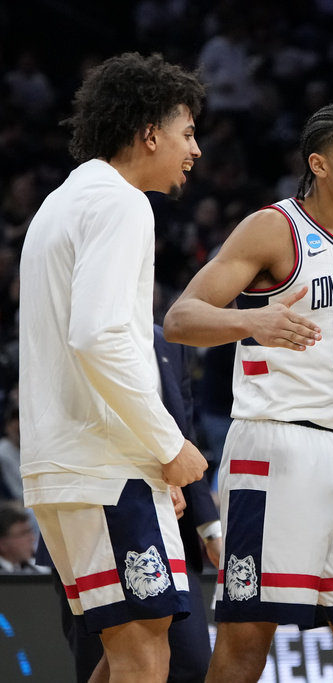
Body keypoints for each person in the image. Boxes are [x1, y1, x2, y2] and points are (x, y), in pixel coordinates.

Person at [163, 101, 333, 683]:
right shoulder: (276, 227)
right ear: (318, 163)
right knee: (245, 646)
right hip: (275, 450)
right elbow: (181, 317)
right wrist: (251, 322)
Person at [18, 52, 208, 683]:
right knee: (143, 650)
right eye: (187, 133)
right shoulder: (123, 204)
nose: (196, 150)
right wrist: (166, 444)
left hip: (63, 467)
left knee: (123, 649)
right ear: (149, 133)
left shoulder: (59, 203)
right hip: (106, 469)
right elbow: (98, 336)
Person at [37, 326, 222, 683]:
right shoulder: (84, 328)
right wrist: (156, 465)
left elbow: (182, 433)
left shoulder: (164, 340)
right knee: (114, 659)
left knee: (188, 663)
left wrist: (210, 528)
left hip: (160, 512)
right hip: (103, 491)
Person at [0, 503, 45, 573]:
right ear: (3, 544)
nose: (32, 539)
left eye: (30, 532)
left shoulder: (37, 569)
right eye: (23, 534)